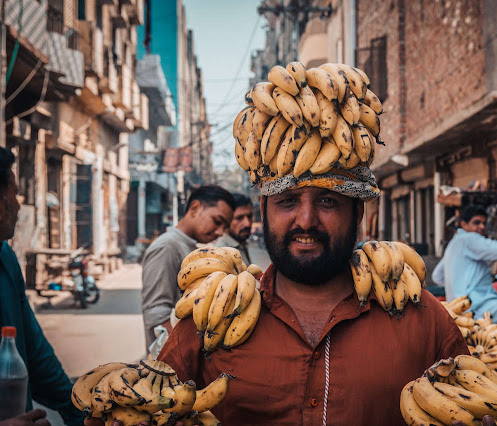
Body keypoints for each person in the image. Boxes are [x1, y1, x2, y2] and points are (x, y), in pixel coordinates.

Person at [157, 166, 475, 425]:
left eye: (327, 201)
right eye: (287, 200)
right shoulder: (209, 318)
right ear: (263, 210)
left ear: (358, 212)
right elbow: (154, 404)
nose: (306, 220)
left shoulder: (422, 318)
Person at [0, 147, 83, 425]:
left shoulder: (5, 258)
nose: (18, 204)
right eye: (13, 193)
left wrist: (78, 409)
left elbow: (34, 352)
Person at [141, 185, 235, 350]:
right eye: (217, 221)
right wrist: (181, 354)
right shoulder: (167, 247)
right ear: (195, 208)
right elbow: (156, 312)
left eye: (224, 226)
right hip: (173, 363)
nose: (220, 232)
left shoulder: (192, 249)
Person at [213, 193, 270, 270]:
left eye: (249, 216)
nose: (247, 223)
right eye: (239, 218)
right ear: (226, 220)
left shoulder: (241, 244)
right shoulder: (221, 254)